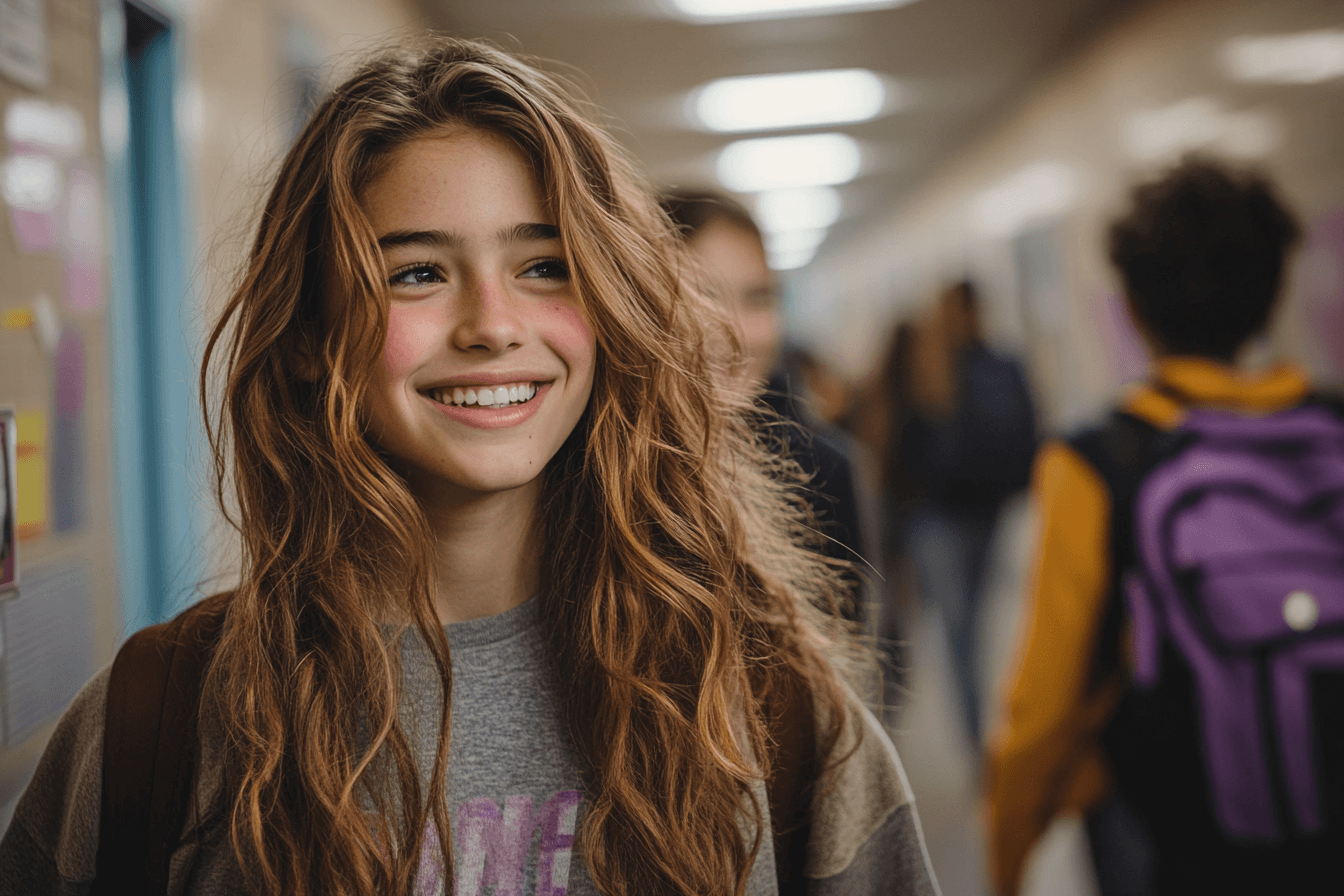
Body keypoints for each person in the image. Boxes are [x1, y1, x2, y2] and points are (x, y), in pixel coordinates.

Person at [0, 38, 940, 896]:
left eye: (544, 267)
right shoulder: (160, 723)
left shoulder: (765, 703)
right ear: (307, 337)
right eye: (416, 273)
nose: (493, 324)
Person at [987, 156, 1343, 896]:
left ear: (1133, 307)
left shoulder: (1100, 460)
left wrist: (1007, 854)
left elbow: (1044, 703)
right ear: (1271, 293)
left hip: (1178, 844)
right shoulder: (1330, 424)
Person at [661, 191, 874, 624]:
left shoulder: (823, 470)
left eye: (757, 298)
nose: (737, 333)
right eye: (704, 296)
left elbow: (843, 650)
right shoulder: (603, 466)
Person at [897, 282, 1037, 750]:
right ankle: (980, 736)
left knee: (972, 624)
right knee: (961, 629)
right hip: (941, 519)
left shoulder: (987, 366)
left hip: (978, 512)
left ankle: (987, 730)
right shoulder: (931, 364)